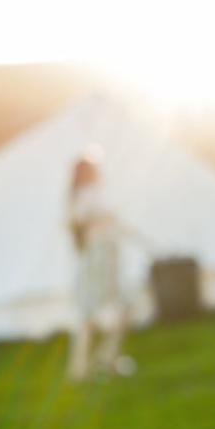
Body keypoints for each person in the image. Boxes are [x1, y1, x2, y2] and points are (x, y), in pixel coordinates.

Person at [67, 151, 135, 381]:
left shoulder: (90, 195)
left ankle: (105, 360)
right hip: (98, 257)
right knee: (91, 313)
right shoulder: (84, 196)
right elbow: (79, 222)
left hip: (106, 254)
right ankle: (83, 368)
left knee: (122, 307)